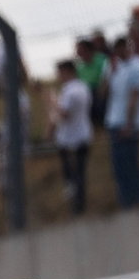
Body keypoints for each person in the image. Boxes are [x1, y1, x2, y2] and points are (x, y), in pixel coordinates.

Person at [104, 36, 139, 209]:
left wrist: (129, 125)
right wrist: (110, 74)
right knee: (119, 168)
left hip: (129, 124)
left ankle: (135, 202)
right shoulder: (114, 67)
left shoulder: (138, 67)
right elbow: (103, 93)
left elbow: (135, 97)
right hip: (114, 122)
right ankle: (126, 202)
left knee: (130, 165)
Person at [47, 59, 92, 215]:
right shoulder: (83, 87)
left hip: (70, 138)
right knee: (79, 173)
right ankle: (78, 203)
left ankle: (77, 206)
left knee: (73, 175)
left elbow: (63, 113)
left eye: (60, 72)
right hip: (82, 133)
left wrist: (51, 100)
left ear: (67, 72)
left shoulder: (70, 91)